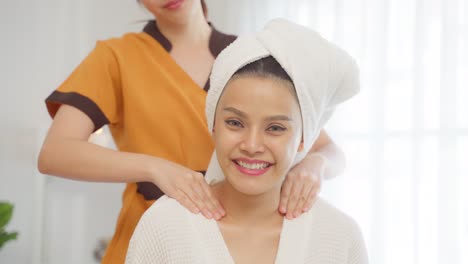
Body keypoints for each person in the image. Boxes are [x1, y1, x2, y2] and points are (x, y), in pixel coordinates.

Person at [37, 1, 347, 263]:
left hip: (246, 233)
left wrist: (313, 166)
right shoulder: (116, 58)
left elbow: (328, 149)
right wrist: (155, 168)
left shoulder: (253, 59)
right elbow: (55, 152)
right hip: (154, 234)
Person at [126, 18, 368, 264]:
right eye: (235, 123)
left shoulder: (338, 237)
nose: (252, 146)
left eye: (275, 128)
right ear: (213, 125)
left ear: (304, 138)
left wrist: (317, 163)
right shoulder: (165, 226)